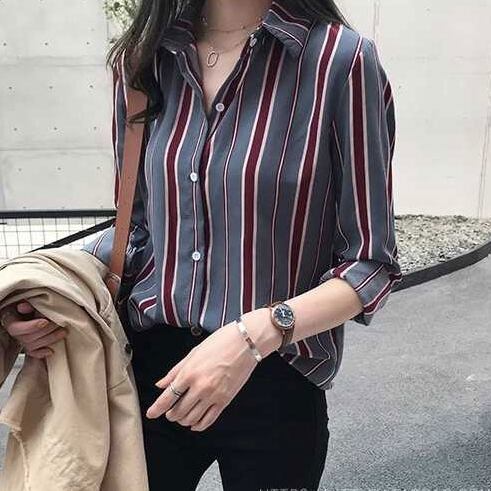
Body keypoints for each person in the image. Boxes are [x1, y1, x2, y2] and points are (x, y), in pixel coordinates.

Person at [0, 0, 403, 489]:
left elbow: (369, 262)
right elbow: (142, 231)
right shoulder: (144, 59)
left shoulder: (340, 61)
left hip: (274, 381)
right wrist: (44, 295)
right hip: (149, 378)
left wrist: (252, 337)